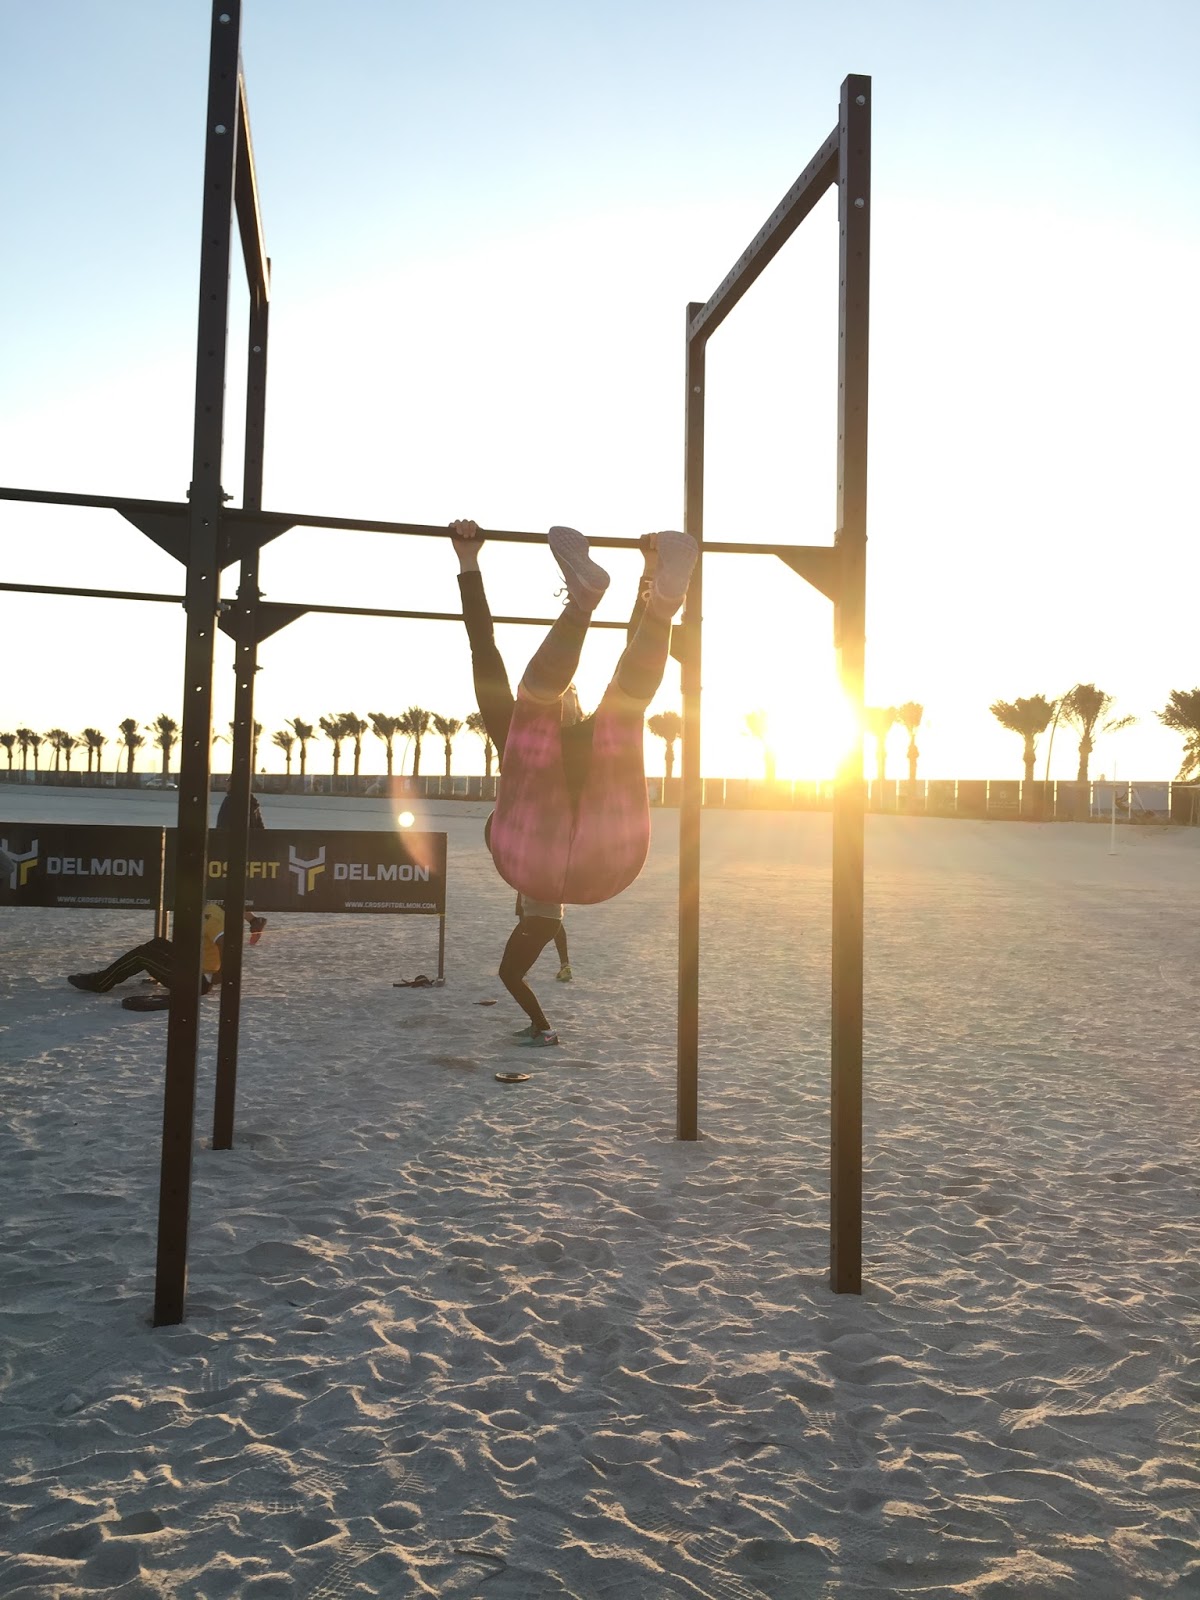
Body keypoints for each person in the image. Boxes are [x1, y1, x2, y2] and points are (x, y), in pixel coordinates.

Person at [487, 524, 697, 1046]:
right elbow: (629, 652)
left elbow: (480, 646)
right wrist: (649, 574)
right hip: (603, 863)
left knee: (565, 703)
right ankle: (653, 607)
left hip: (565, 865)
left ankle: (597, 604)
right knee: (619, 700)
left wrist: (468, 566)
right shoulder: (585, 732)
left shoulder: (521, 742)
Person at [67, 903, 225, 1011]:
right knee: (158, 943)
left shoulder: (213, 916)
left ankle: (100, 983)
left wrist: (218, 975)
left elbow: (225, 945)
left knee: (142, 955)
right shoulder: (211, 909)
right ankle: (104, 977)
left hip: (196, 979)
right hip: (191, 965)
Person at [215, 790, 268, 944]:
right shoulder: (253, 803)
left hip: (230, 854)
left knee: (221, 894)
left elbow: (221, 828)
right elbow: (261, 830)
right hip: (248, 854)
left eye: (228, 780)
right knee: (232, 893)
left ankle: (248, 922)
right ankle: (253, 920)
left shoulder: (230, 800)